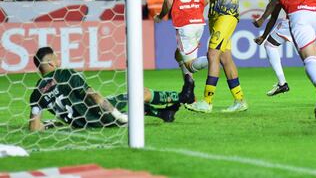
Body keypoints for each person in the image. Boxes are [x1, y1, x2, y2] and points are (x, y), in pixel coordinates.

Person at [29, 47, 195, 131]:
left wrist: (53, 124)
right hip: (101, 115)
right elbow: (92, 94)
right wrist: (116, 114)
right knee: (139, 93)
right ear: (51, 62)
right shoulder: (63, 74)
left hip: (85, 126)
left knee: (129, 102)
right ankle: (183, 96)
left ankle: (164, 114)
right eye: (56, 58)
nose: (59, 61)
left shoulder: (36, 94)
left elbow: (34, 127)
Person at [254, 0, 316, 119]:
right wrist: (263, 35)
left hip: (297, 19)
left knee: (304, 58)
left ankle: (283, 83)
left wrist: (262, 19)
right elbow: (275, 14)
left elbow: (275, 0)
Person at [154, 0, 209, 85]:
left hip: (185, 23)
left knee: (191, 65)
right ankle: (189, 90)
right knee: (178, 55)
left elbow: (168, 1)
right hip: (198, 22)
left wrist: (161, 16)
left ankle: (216, 58)